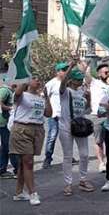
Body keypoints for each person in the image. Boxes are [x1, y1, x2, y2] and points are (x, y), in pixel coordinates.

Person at [10, 76, 53, 206]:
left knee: (24, 163)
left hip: (37, 130)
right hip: (23, 129)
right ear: (28, 82)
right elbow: (17, 93)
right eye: (34, 78)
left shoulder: (40, 98)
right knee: (28, 162)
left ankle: (18, 193)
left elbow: (49, 113)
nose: (38, 80)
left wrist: (46, 97)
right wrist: (24, 79)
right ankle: (32, 193)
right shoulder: (22, 95)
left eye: (38, 79)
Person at [58, 61, 95, 196]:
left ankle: (83, 180)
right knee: (68, 156)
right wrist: (70, 67)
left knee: (84, 154)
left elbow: (87, 110)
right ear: (72, 80)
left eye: (81, 79)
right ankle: (68, 183)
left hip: (80, 126)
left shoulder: (82, 92)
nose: (80, 82)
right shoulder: (65, 92)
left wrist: (89, 99)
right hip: (66, 127)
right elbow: (63, 82)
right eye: (78, 80)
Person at [43, 62, 69, 169]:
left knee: (67, 137)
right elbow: (45, 97)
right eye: (63, 70)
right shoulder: (50, 84)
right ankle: (48, 158)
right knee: (52, 137)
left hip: (66, 115)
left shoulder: (69, 83)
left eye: (66, 69)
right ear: (57, 72)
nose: (65, 72)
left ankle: (68, 156)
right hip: (54, 115)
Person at [87, 63, 109, 173]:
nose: (108, 74)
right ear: (99, 74)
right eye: (105, 72)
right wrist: (79, 61)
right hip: (97, 116)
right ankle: (102, 163)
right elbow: (86, 73)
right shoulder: (95, 83)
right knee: (99, 141)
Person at [0, 81, 19, 179]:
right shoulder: (5, 90)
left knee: (5, 146)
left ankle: (2, 169)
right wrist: (11, 108)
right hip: (4, 123)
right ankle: (17, 169)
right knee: (9, 146)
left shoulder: (7, 91)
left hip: (5, 123)